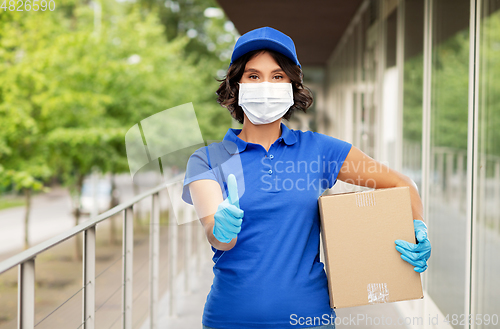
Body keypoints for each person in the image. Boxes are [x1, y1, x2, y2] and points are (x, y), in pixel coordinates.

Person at [182, 26, 431, 329]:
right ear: (236, 86)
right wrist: (222, 227)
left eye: (277, 76)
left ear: (291, 87)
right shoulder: (207, 159)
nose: (265, 85)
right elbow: (218, 237)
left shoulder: (320, 150)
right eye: (253, 76)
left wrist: (417, 227)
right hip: (230, 318)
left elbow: (402, 184)